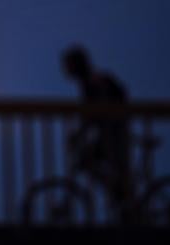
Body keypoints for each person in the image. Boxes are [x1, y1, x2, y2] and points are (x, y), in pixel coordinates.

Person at [61, 45, 133, 223]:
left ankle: (123, 198)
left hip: (114, 136)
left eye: (68, 65)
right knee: (97, 164)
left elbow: (96, 114)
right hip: (112, 135)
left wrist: (78, 135)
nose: (65, 70)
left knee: (90, 161)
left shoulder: (93, 81)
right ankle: (121, 196)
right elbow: (92, 116)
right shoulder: (91, 81)